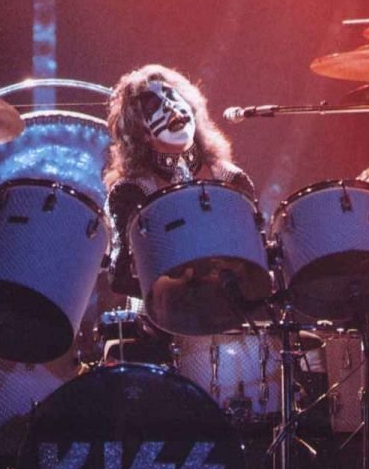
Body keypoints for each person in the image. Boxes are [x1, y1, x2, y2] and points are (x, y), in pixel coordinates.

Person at [104, 63, 256, 300]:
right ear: (142, 133)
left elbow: (255, 261)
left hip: (231, 313)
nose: (170, 106)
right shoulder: (130, 193)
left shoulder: (231, 179)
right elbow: (119, 277)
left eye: (173, 96)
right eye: (154, 106)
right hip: (162, 317)